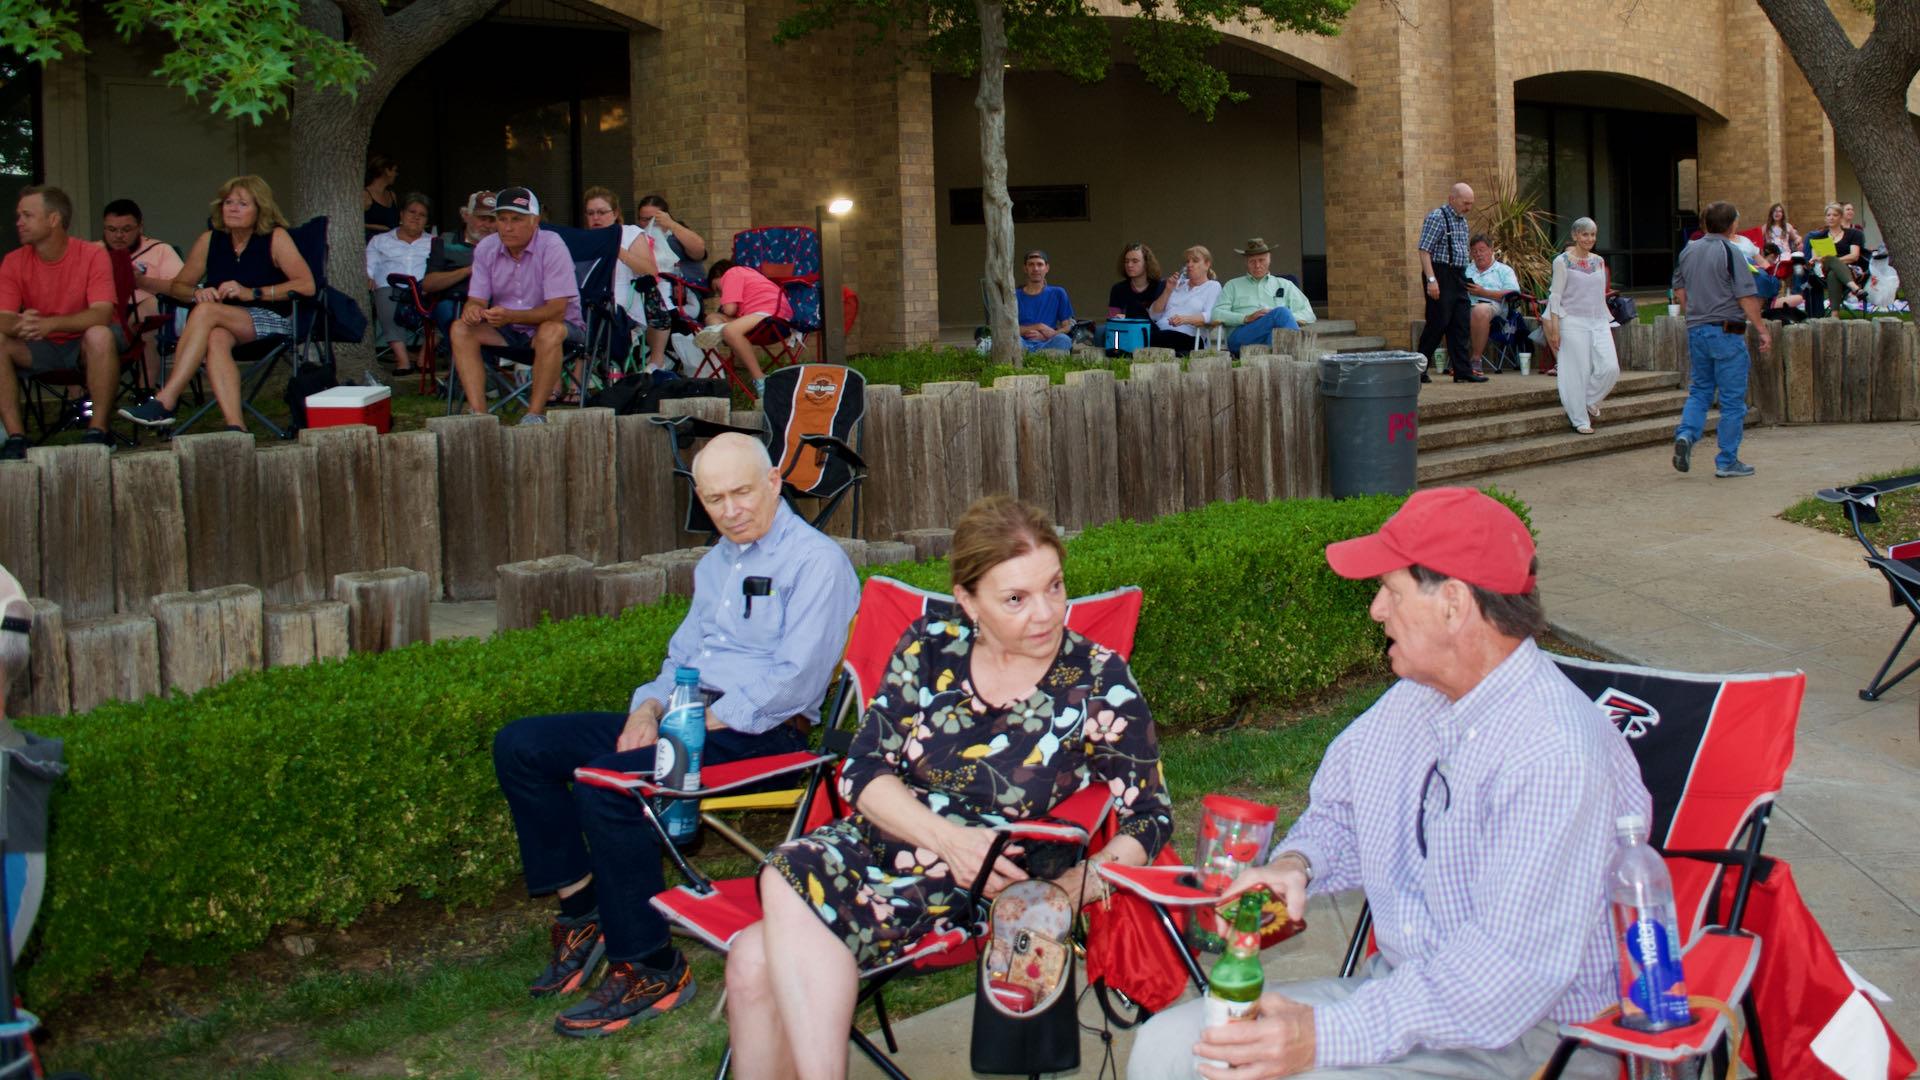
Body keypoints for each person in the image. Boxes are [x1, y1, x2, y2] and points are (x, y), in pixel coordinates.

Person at [1127, 487, 1646, 1080]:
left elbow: (1503, 978)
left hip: (1528, 1040)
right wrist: (1296, 863)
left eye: (1391, 591)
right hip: (1406, 998)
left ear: (1453, 604)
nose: (1376, 609)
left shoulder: (1553, 751)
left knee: (1245, 1073)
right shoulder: (1418, 697)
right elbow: (1342, 810)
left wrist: (1323, 1035)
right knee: (1169, 1046)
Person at [725, 494, 1172, 1080]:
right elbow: (864, 770)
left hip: (972, 882)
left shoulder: (1096, 679)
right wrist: (944, 838)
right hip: (878, 841)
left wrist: (1065, 890)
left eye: (1055, 587)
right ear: (968, 602)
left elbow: (1150, 816)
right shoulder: (930, 646)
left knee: (753, 957)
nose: (1046, 614)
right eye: (1015, 598)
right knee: (774, 903)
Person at [491, 432, 859, 1039]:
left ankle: (651, 965)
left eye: (741, 492)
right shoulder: (716, 563)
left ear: (774, 482)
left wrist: (687, 723)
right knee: (522, 746)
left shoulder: (816, 562)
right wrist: (649, 708)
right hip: (686, 716)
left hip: (764, 736)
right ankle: (585, 912)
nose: (730, 510)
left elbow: (792, 685)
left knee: (609, 789)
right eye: (714, 500)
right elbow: (680, 660)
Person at [119, 175, 315, 432]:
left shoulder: (275, 238)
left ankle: (166, 399)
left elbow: (306, 285)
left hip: (272, 319)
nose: (232, 208)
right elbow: (179, 286)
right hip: (222, 321)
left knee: (207, 312)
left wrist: (252, 293)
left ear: (260, 209)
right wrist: (196, 293)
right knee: (216, 338)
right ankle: (236, 426)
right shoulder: (210, 240)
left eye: (243, 204)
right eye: (228, 202)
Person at [0, 185, 121, 459]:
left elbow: (102, 313)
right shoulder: (13, 261)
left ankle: (99, 430)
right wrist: (20, 324)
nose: (18, 222)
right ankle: (16, 438)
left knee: (100, 334)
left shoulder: (92, 254)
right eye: (18, 216)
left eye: (27, 215)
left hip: (83, 346)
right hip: (40, 346)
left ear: (53, 219)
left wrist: (50, 324)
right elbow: (2, 316)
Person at [448, 187, 586, 425]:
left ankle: (534, 414)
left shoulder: (552, 245)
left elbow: (557, 310)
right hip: (509, 328)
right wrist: (473, 309)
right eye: (501, 219)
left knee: (550, 330)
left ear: (535, 221)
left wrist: (511, 316)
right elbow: (477, 298)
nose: (507, 227)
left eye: (517, 219)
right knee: (460, 328)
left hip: (560, 329)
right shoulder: (486, 248)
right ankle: (479, 416)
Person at [1673, 200, 1769, 479]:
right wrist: (1761, 329)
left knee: (1700, 389)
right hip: (1727, 330)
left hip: (1697, 329)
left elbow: (1679, 288)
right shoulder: (1731, 251)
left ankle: (1687, 435)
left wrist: (1696, 309)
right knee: (1732, 400)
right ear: (1732, 224)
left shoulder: (1689, 251)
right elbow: (1746, 297)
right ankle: (1727, 460)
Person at [1541, 218, 1619, 435]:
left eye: (1593, 235)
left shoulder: (1599, 261)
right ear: (1575, 236)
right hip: (1572, 321)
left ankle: (1590, 400)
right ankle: (1579, 418)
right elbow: (1555, 297)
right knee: (1577, 372)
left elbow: (1598, 294)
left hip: (1598, 321)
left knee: (1611, 368)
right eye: (1585, 234)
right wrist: (1554, 329)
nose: (1589, 239)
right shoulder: (1562, 261)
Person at [100, 198, 185, 385]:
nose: (119, 236)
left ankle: (146, 391)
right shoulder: (93, 252)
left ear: (140, 226)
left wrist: (142, 281)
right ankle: (85, 399)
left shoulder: (160, 250)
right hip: (105, 313)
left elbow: (182, 289)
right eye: (112, 230)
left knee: (146, 322)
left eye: (126, 229)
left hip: (145, 313)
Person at [693, 257, 792, 398]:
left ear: (719, 274)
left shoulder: (731, 273)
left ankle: (760, 379)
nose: (721, 295)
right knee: (712, 318)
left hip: (770, 314)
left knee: (729, 330)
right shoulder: (749, 275)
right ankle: (715, 330)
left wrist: (726, 305)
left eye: (718, 289)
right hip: (771, 317)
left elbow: (730, 310)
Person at [1416, 182, 1485, 383]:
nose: (1468, 208)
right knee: (1437, 323)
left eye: (1471, 204)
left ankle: (1463, 371)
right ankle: (1418, 369)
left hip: (1458, 274)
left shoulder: (1462, 221)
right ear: (1452, 199)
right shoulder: (1437, 217)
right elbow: (1424, 250)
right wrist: (1431, 280)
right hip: (1439, 273)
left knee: (1460, 323)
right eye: (1465, 203)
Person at [582, 187, 659, 361]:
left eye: (601, 212)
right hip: (588, 301)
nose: (595, 218)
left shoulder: (630, 233)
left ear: (615, 213)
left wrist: (616, 249)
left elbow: (650, 271)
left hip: (621, 303)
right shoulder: (583, 239)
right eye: (590, 213)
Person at [364, 192, 435, 378]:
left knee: (445, 305)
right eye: (412, 212)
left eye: (422, 215)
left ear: (427, 221)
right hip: (391, 288)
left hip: (423, 290)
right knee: (384, 295)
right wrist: (368, 276)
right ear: (401, 214)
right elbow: (369, 265)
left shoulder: (434, 242)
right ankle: (402, 359)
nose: (416, 217)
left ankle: (424, 356)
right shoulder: (380, 240)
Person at [635, 195, 707, 375]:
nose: (647, 223)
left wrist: (672, 225)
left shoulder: (676, 238)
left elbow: (699, 250)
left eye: (653, 219)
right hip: (645, 298)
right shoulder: (636, 239)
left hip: (683, 299)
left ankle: (656, 360)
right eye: (643, 219)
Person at [1215, 237, 1317, 358]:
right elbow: (1217, 313)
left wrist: (1283, 319)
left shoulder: (1285, 284)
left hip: (1274, 335)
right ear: (1246, 262)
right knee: (1281, 314)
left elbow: (1309, 314)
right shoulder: (1232, 285)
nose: (1257, 265)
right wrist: (1246, 318)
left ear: (1269, 259)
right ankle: (1300, 357)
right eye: (1252, 261)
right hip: (1242, 336)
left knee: (1278, 330)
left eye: (1261, 260)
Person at [420, 190, 496, 341]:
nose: (487, 225)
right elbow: (428, 284)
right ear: (466, 215)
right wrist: (469, 270)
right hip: (453, 301)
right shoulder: (445, 242)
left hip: (493, 304)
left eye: (492, 220)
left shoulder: (503, 245)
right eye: (482, 218)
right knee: (450, 316)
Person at [1147, 245, 1222, 355]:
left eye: (1195, 261)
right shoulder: (1177, 284)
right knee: (1135, 309)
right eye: (1188, 261)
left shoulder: (1213, 286)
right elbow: (1153, 315)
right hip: (1160, 331)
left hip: (1189, 336)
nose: (1189, 265)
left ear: (1207, 264)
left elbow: (1211, 315)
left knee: (1155, 337)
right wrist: (1168, 290)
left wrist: (1185, 319)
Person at [1462, 234, 1520, 375]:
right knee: (1447, 311)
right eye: (1474, 251)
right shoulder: (1466, 269)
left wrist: (1483, 292)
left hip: (1493, 306)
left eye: (1482, 250)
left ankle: (1476, 360)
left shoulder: (1504, 270)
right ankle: (1459, 361)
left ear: (1491, 250)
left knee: (1480, 310)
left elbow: (1512, 293)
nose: (1478, 254)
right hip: (1466, 305)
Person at [1803, 202, 1864, 316]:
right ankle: (1855, 289)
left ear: (1841, 217)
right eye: (1828, 215)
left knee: (1833, 273)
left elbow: (1854, 256)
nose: (1831, 218)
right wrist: (1818, 259)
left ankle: (1834, 316)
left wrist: (1834, 261)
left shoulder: (1853, 234)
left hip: (1849, 270)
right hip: (1823, 271)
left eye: (1835, 215)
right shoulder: (1819, 237)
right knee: (1829, 259)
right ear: (1825, 218)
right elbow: (1816, 257)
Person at [1014, 249, 1074, 352]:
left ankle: (1030, 358)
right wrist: (1039, 326)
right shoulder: (1014, 295)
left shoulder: (1058, 292)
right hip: (1021, 342)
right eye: (1031, 265)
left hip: (1047, 343)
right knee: (1010, 340)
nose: (1036, 268)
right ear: (1025, 268)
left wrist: (1050, 335)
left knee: (1064, 340)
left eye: (1040, 264)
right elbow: (1007, 329)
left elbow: (1067, 326)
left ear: (1047, 268)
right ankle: (1040, 358)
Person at [1108, 242, 1165, 321]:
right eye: (1126, 261)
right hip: (1124, 330)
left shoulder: (1160, 286)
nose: (1129, 265)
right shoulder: (1118, 289)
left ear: (1147, 263)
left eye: (1135, 261)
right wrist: (1116, 318)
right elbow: (1113, 320)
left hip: (1152, 331)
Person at [1754, 243, 1806, 323]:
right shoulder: (1775, 269)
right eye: (1776, 258)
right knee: (1799, 298)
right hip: (1769, 303)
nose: (1776, 260)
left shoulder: (1756, 266)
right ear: (1772, 256)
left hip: (1766, 302)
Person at [362, 154, 399, 239]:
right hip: (372, 243)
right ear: (387, 171)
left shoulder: (392, 195)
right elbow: (356, 223)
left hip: (392, 244)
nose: (396, 174)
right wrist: (379, 227)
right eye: (394, 170)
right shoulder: (365, 194)